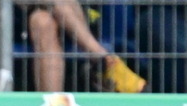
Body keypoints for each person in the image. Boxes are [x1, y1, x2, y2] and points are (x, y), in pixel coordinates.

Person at [16, 0, 145, 92]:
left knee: (43, 21)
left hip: (70, 14)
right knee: (44, 20)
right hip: (18, 14)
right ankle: (103, 59)